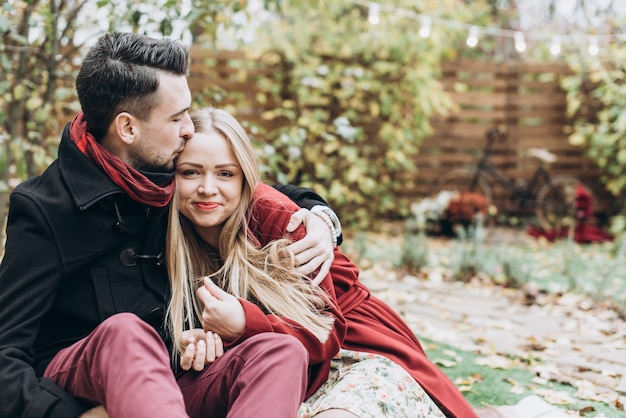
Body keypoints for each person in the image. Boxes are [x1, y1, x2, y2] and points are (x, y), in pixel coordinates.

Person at [0, 32, 342, 418]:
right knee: (124, 332)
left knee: (278, 350)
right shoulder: (46, 209)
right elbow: (4, 354)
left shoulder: (171, 178)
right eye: (177, 117)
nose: (189, 130)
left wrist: (320, 217)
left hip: (173, 384)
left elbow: (247, 187)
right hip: (87, 384)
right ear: (128, 128)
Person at [166, 107, 479, 418]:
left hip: (349, 344)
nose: (208, 188)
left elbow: (325, 330)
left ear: (245, 176)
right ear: (171, 174)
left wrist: (244, 324)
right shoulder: (168, 231)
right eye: (190, 172)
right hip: (273, 359)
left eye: (225, 173)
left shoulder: (278, 218)